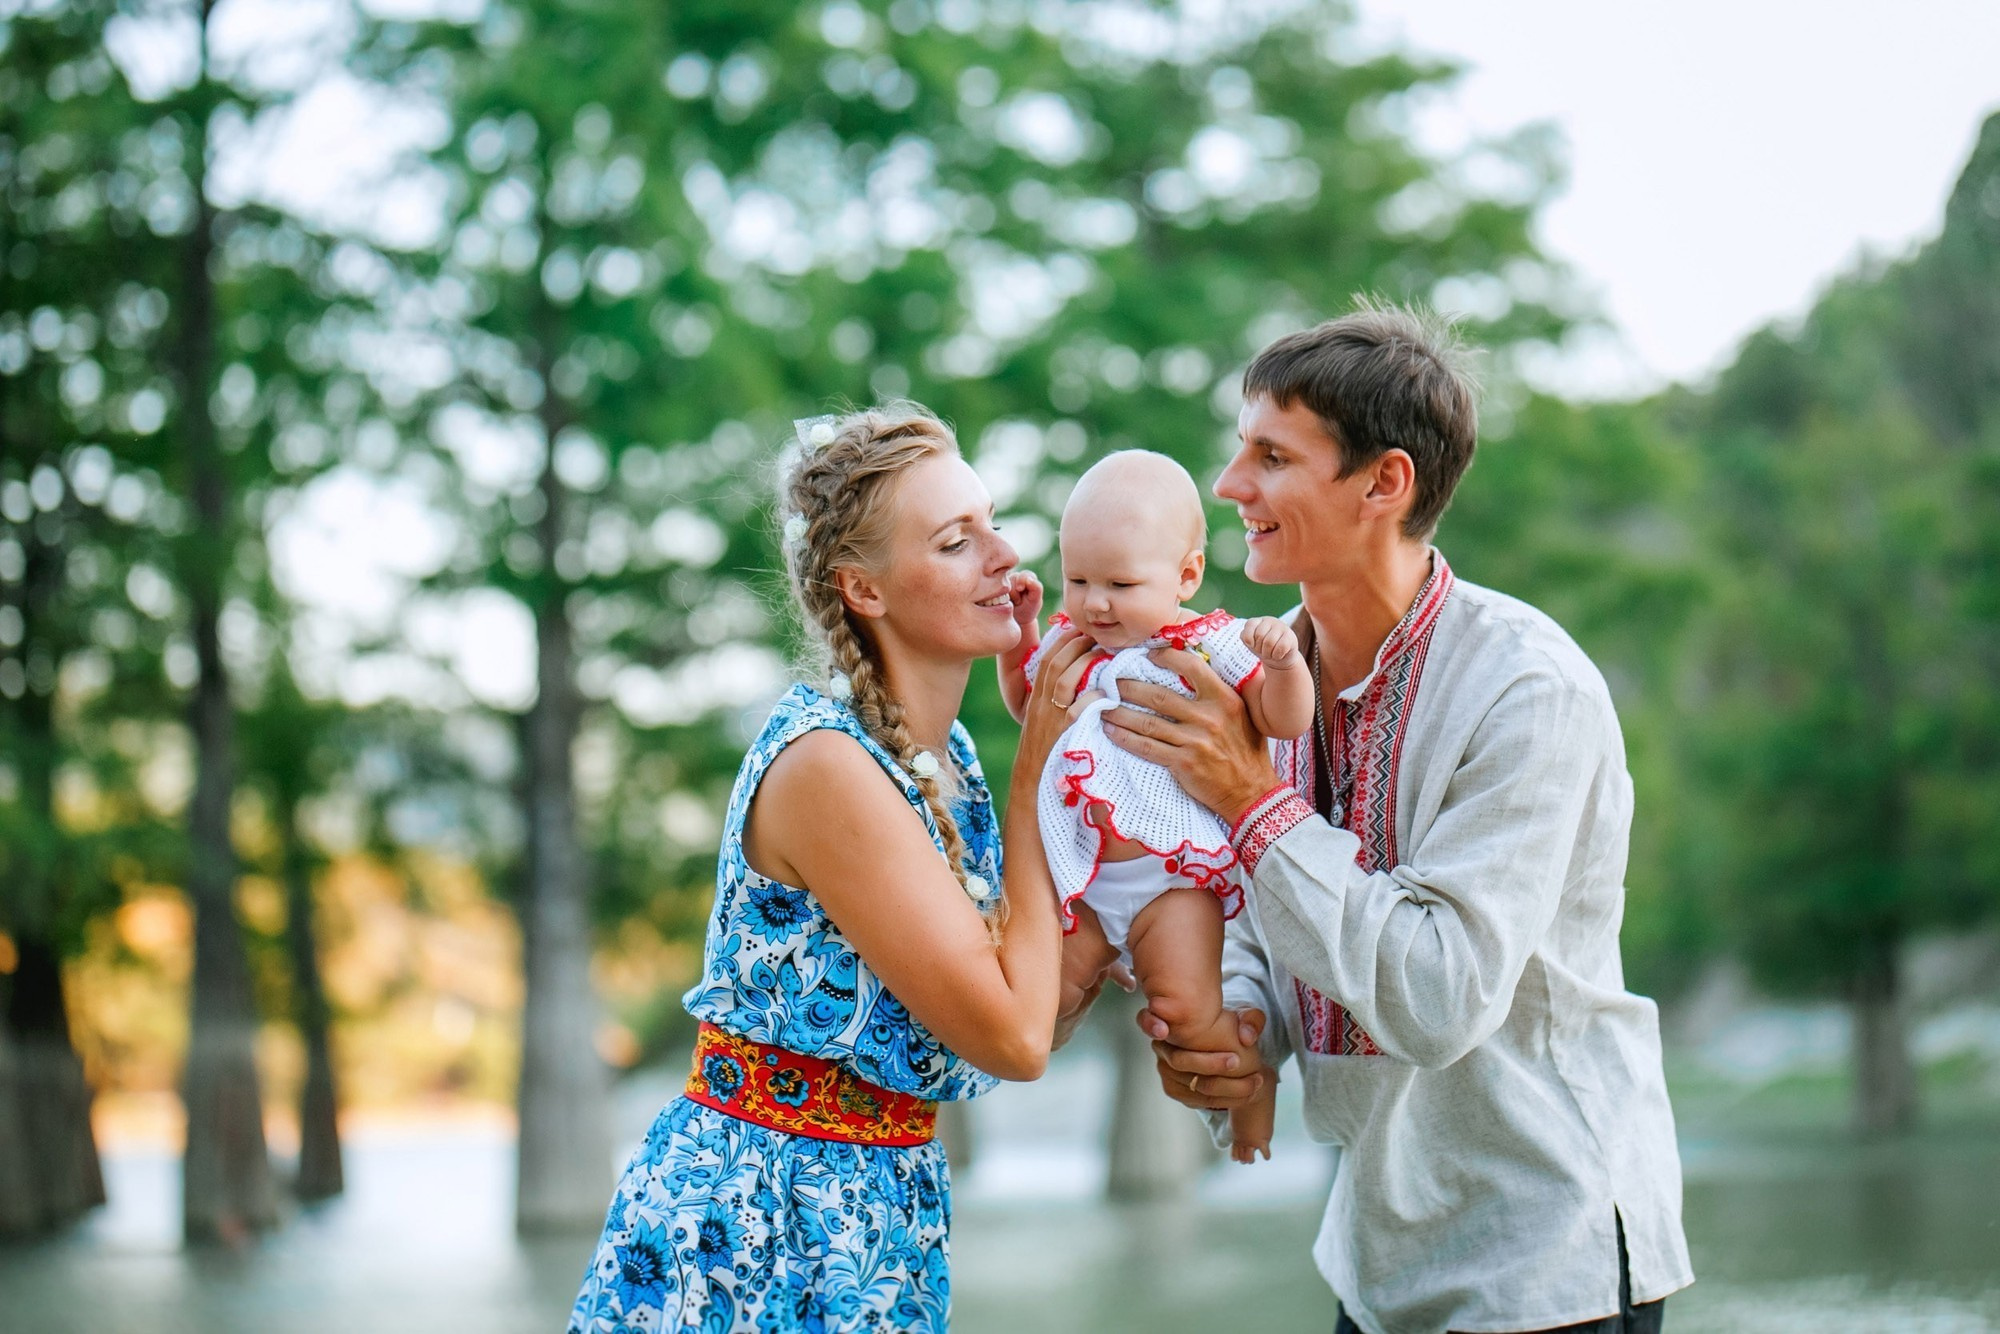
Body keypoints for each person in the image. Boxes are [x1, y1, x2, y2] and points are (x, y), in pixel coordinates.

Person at [1064, 303, 1694, 1334]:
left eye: (1271, 456)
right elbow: (1263, 913)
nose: (1229, 485)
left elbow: (1437, 996)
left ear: (1383, 483)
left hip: (1547, 1260)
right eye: (1240, 449)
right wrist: (1238, 1027)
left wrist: (1250, 799)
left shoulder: (1528, 691)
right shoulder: (1249, 679)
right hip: (1372, 1261)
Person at [566, 405, 1086, 1334]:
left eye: (993, 522)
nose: (1005, 556)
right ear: (863, 588)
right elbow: (1016, 1041)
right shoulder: (828, 766)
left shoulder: (948, 760)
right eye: (956, 542)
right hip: (760, 1220)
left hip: (874, 1208)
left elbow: (1025, 1001)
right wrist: (1040, 767)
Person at [998, 449, 1313, 1161]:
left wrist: (1285, 664)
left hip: (1172, 882)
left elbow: (1283, 718)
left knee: (1185, 1010)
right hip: (1084, 878)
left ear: (1186, 576)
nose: (1095, 603)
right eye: (1078, 580)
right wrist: (1023, 637)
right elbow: (1027, 707)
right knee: (1040, 1001)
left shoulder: (1210, 646)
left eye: (1120, 584)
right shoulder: (1074, 644)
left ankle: (1251, 1095)